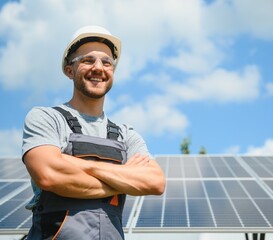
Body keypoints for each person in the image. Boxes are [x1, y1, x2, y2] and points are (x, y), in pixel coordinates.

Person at [22, 25, 166, 240]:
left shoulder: (126, 134)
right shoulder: (46, 118)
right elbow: (49, 174)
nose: (98, 68)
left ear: (112, 72)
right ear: (70, 70)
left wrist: (80, 165)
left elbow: (154, 182)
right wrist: (123, 174)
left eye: (106, 62)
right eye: (88, 60)